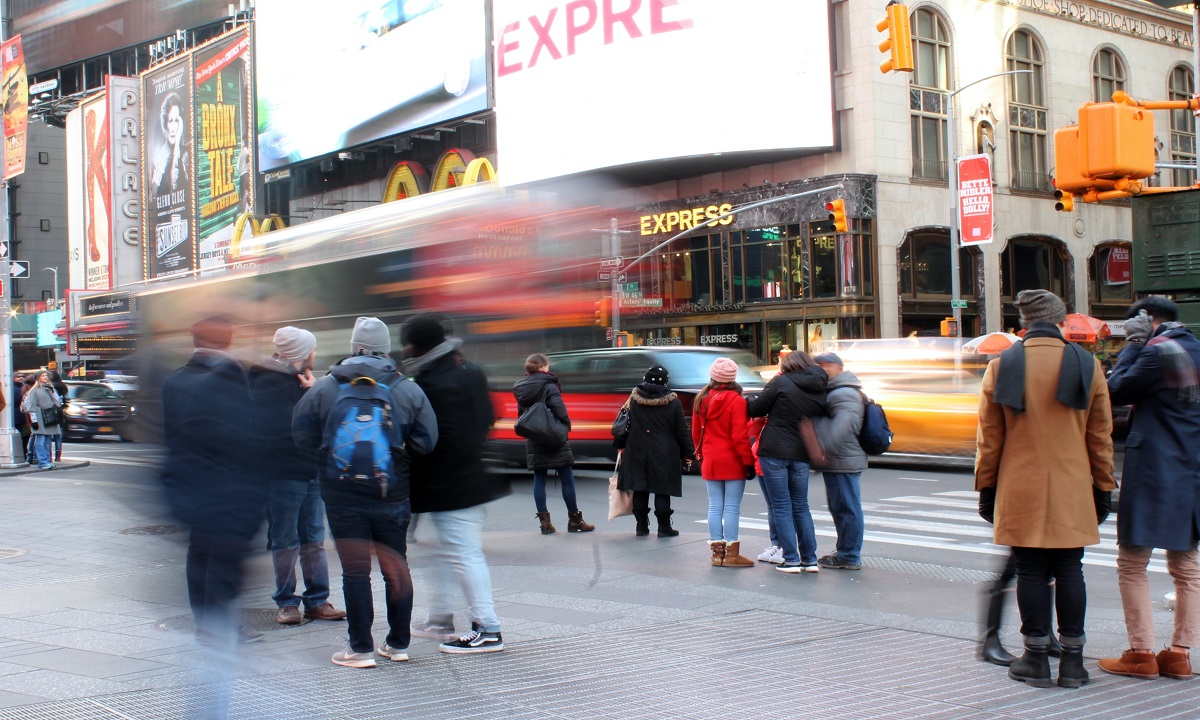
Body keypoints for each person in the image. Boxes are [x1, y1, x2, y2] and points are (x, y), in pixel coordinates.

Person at [975, 289, 1115, 689]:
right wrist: (1103, 487)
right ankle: (1073, 663)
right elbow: (1100, 437)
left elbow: (990, 438)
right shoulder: (1087, 366)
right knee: (1071, 568)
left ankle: (1034, 659)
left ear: (1024, 322)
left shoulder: (1003, 366)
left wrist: (986, 487)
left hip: (1019, 486)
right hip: (1072, 486)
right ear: (1060, 321)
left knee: (1031, 570)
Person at [292, 317, 437, 668]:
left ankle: (359, 649)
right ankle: (398, 644)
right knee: (396, 566)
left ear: (354, 346)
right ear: (385, 349)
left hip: (341, 496)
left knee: (355, 571)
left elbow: (300, 434)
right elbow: (427, 441)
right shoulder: (407, 388)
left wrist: (328, 457)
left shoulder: (325, 386)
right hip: (392, 492)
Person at [1099, 296, 1200, 681]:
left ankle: (1141, 654)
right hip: (1190, 473)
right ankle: (1180, 654)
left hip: (1152, 470)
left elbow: (1115, 390)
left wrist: (1133, 348)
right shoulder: (1196, 349)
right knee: (1187, 567)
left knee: (1132, 564)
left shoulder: (1157, 354)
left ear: (1147, 320)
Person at [402, 313, 510, 654]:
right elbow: (486, 419)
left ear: (417, 345)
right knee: (446, 552)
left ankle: (488, 628)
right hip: (468, 478)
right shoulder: (469, 372)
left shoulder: (431, 383)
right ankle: (440, 619)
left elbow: (430, 439)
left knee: (463, 554)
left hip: (450, 484)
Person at [158, 317, 267, 647]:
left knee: (200, 552)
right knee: (224, 555)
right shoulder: (229, 379)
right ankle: (221, 626)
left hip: (187, 483)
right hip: (226, 484)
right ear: (228, 340)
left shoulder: (174, 380)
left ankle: (205, 623)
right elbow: (242, 435)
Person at [248, 327, 345, 627]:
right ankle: (287, 602)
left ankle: (317, 600)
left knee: (313, 539)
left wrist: (315, 393)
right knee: (286, 540)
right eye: (312, 350)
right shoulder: (267, 382)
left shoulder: (303, 381)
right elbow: (283, 430)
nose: (315, 355)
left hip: (311, 471)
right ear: (302, 353)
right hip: (284, 474)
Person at [747, 350, 828, 573]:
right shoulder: (820, 385)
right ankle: (810, 559)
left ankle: (791, 559)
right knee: (801, 506)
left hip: (775, 450)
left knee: (781, 506)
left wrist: (751, 400)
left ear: (787, 366)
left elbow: (755, 408)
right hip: (801, 452)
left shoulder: (781, 381)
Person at [513, 353, 593, 534]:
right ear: (542, 367)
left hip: (535, 436)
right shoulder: (549, 385)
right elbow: (560, 410)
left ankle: (545, 524)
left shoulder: (521, 387)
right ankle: (575, 521)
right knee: (566, 477)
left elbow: (521, 415)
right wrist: (565, 427)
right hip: (554, 435)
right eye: (547, 366)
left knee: (539, 478)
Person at [614, 364, 694, 537]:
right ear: (665, 382)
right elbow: (681, 430)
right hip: (664, 451)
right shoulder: (673, 401)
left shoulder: (634, 398)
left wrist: (620, 444)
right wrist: (688, 452)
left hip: (636, 448)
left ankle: (641, 527)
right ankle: (664, 527)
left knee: (640, 487)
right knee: (662, 489)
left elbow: (624, 423)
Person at [691, 357, 756, 567]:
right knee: (732, 508)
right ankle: (731, 554)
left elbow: (695, 433)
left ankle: (716, 554)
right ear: (733, 378)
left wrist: (700, 455)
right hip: (733, 460)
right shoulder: (737, 400)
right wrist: (749, 462)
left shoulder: (702, 398)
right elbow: (740, 436)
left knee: (715, 506)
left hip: (710, 459)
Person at [811, 352, 867, 571]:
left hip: (842, 459)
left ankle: (849, 555)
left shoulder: (844, 393)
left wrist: (821, 450)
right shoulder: (838, 390)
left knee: (846, 508)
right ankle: (846, 551)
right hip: (841, 458)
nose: (821, 372)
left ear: (833, 367)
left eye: (823, 368)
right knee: (842, 507)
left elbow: (843, 428)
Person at [22, 371, 62, 470]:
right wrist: (34, 420)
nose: (45, 377)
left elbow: (58, 403)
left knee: (48, 440)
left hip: (50, 416)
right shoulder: (34, 391)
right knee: (40, 440)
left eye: (46, 375)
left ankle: (47, 461)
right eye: (43, 375)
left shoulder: (50, 389)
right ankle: (42, 462)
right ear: (38, 378)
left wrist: (52, 392)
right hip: (40, 416)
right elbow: (32, 407)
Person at [151, 92, 188, 196]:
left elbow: (176, 186)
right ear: (164, 123)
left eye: (176, 121)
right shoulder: (156, 161)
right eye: (170, 121)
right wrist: (154, 185)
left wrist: (177, 146)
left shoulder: (187, 153)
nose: (173, 128)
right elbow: (151, 203)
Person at [48, 371, 68, 463]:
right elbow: (65, 400)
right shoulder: (63, 386)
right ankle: (58, 456)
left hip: (49, 412)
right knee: (58, 435)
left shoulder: (50, 387)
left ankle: (49, 455)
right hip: (60, 413)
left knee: (48, 435)